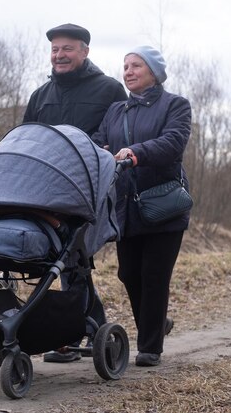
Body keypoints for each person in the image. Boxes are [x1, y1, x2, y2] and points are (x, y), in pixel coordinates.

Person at [23, 23, 128, 363]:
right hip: (43, 189)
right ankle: (77, 330)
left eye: (67, 48)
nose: (59, 55)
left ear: (84, 51)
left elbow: (117, 134)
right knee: (66, 259)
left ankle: (77, 332)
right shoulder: (41, 95)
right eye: (55, 49)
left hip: (87, 187)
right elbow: (26, 138)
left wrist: (98, 151)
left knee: (72, 257)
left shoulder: (109, 89)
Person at [91, 45, 191, 367]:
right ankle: (157, 324)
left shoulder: (175, 105)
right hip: (126, 209)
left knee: (154, 275)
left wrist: (135, 152)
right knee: (128, 273)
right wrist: (97, 150)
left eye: (136, 65)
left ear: (154, 72)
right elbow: (99, 140)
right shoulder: (116, 110)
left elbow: (173, 142)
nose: (128, 71)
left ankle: (150, 347)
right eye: (126, 66)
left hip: (163, 205)